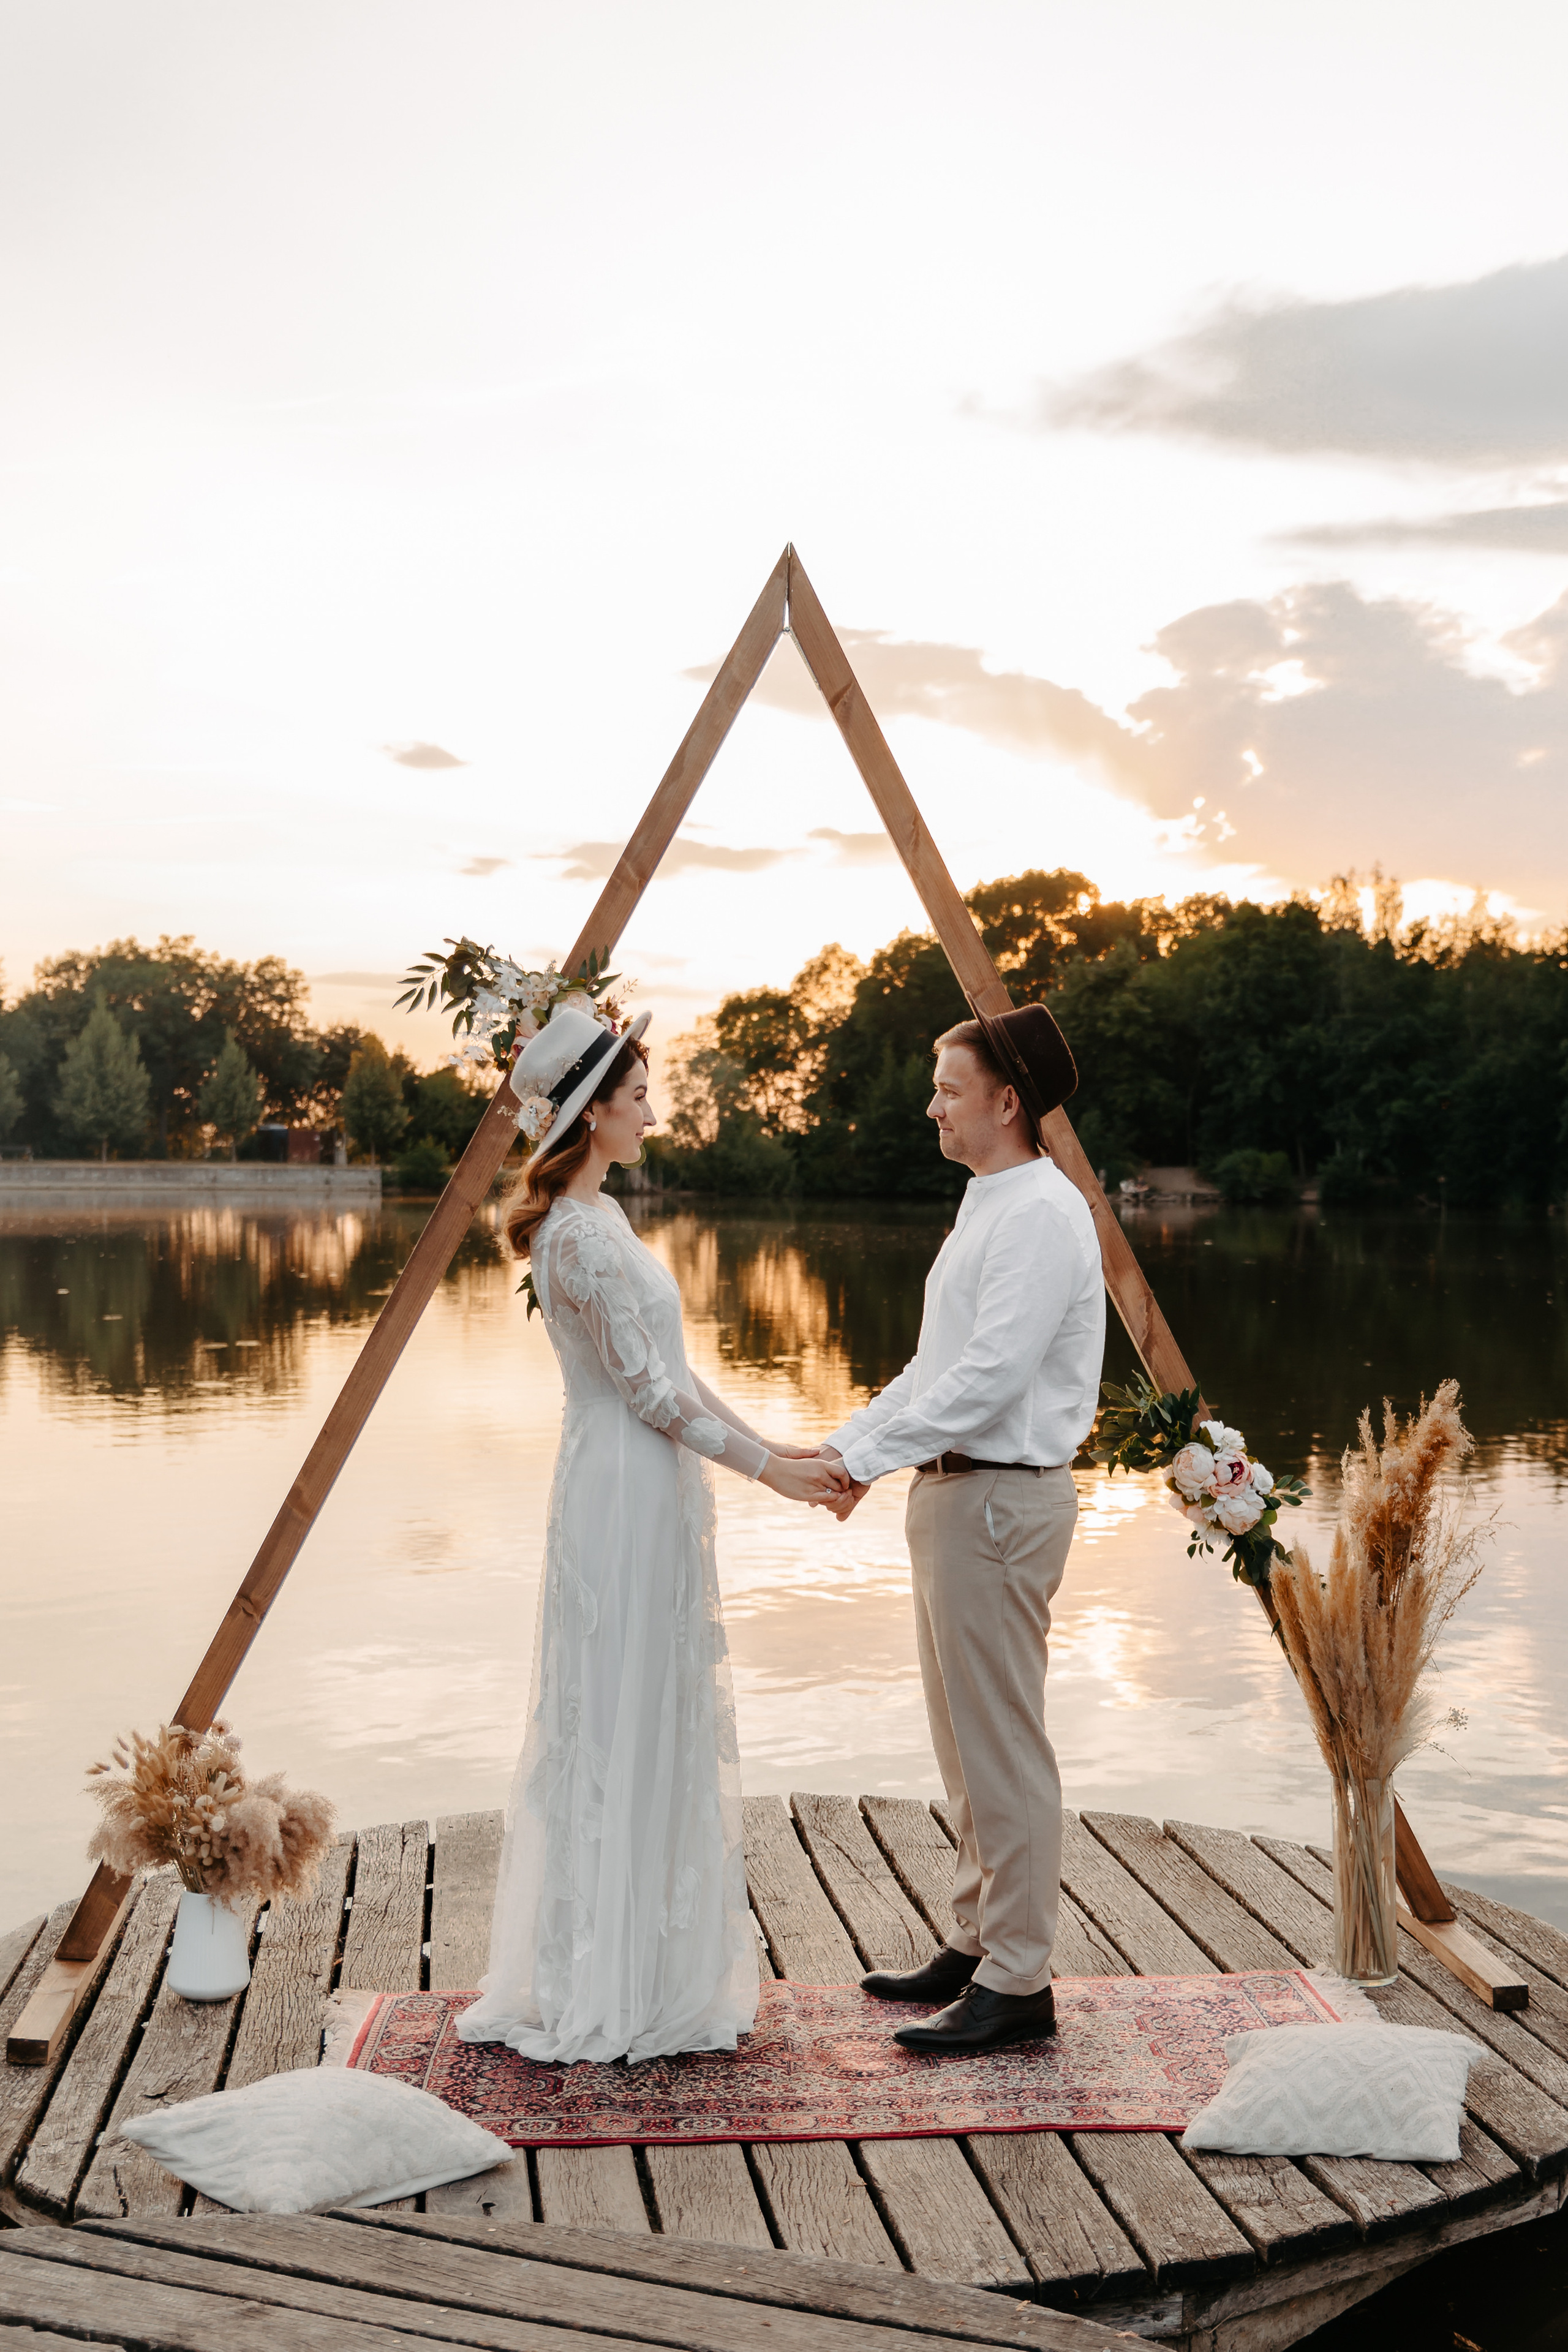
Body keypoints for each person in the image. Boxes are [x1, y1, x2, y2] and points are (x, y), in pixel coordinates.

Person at [458, 1004, 847, 2065]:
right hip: (619, 1494)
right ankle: (603, 1976)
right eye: (636, 1097)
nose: (651, 1111)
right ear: (591, 1117)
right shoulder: (576, 1240)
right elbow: (647, 1398)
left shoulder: (610, 1222)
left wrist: (783, 1447)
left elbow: (681, 1379)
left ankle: (650, 1958)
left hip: (654, 1484)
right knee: (612, 1707)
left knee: (655, 1698)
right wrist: (776, 1477)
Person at [818, 1006, 1102, 2056]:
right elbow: (934, 1370)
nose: (931, 1103)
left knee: (1002, 1744)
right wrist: (849, 1448)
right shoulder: (990, 1203)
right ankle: (981, 1942)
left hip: (998, 1496)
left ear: (1007, 1101)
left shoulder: (1039, 1212)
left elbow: (989, 1383)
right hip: (953, 1495)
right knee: (963, 1742)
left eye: (948, 1087)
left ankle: (1021, 1982)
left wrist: (860, 1460)